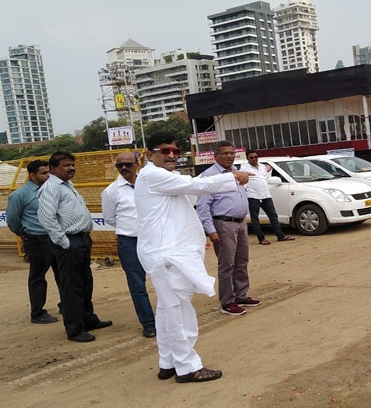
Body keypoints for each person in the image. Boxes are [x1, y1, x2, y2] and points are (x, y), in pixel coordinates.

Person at [135, 132, 250, 383]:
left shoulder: (161, 177)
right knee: (178, 311)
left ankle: (168, 363)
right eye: (165, 151)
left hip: (168, 253)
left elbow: (190, 185)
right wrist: (232, 177)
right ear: (149, 154)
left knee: (167, 310)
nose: (172, 155)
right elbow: (197, 185)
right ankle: (187, 367)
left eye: (176, 151)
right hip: (168, 255)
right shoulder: (153, 176)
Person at [38, 151, 112, 343]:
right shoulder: (51, 187)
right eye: (66, 165)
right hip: (69, 242)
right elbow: (46, 218)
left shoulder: (67, 185)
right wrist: (64, 242)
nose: (71, 168)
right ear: (53, 169)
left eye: (72, 164)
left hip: (82, 240)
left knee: (85, 282)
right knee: (72, 287)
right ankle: (74, 329)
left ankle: (88, 319)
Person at [197, 141, 262, 316]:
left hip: (240, 223)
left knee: (241, 261)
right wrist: (211, 230)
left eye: (231, 153)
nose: (229, 156)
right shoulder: (210, 176)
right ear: (215, 156)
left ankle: (241, 295)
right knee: (226, 265)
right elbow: (203, 207)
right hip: (223, 225)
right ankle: (227, 301)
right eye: (225, 153)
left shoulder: (236, 172)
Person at [101, 152, 156, 338]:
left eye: (128, 164)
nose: (124, 168)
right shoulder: (111, 191)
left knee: (164, 279)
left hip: (153, 239)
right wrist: (131, 228)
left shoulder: (148, 184)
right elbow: (110, 218)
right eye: (120, 165)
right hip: (129, 242)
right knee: (137, 284)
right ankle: (148, 323)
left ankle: (168, 319)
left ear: (137, 164)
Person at [6, 159, 61, 324]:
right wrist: (23, 234)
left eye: (49, 172)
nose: (48, 175)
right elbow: (12, 219)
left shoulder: (52, 190)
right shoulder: (20, 195)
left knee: (63, 274)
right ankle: (37, 312)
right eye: (44, 173)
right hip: (37, 239)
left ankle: (66, 304)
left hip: (56, 237)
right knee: (38, 276)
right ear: (32, 176)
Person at [244, 149, 295, 245]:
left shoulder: (263, 167)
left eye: (255, 157)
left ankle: (280, 236)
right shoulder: (244, 169)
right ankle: (261, 238)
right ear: (247, 158)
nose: (254, 159)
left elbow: (266, 179)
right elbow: (243, 183)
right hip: (253, 196)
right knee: (255, 218)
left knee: (273, 216)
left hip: (266, 195)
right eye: (251, 157)